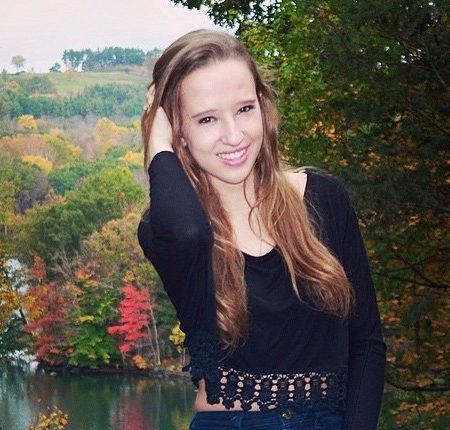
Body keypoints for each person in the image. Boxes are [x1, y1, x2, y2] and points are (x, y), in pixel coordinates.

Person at [138, 29, 386, 430]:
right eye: (206, 119)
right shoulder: (165, 228)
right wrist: (157, 140)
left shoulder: (325, 198)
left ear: (263, 108)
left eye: (244, 109)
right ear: (178, 132)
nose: (234, 135)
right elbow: (187, 233)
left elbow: (367, 345)